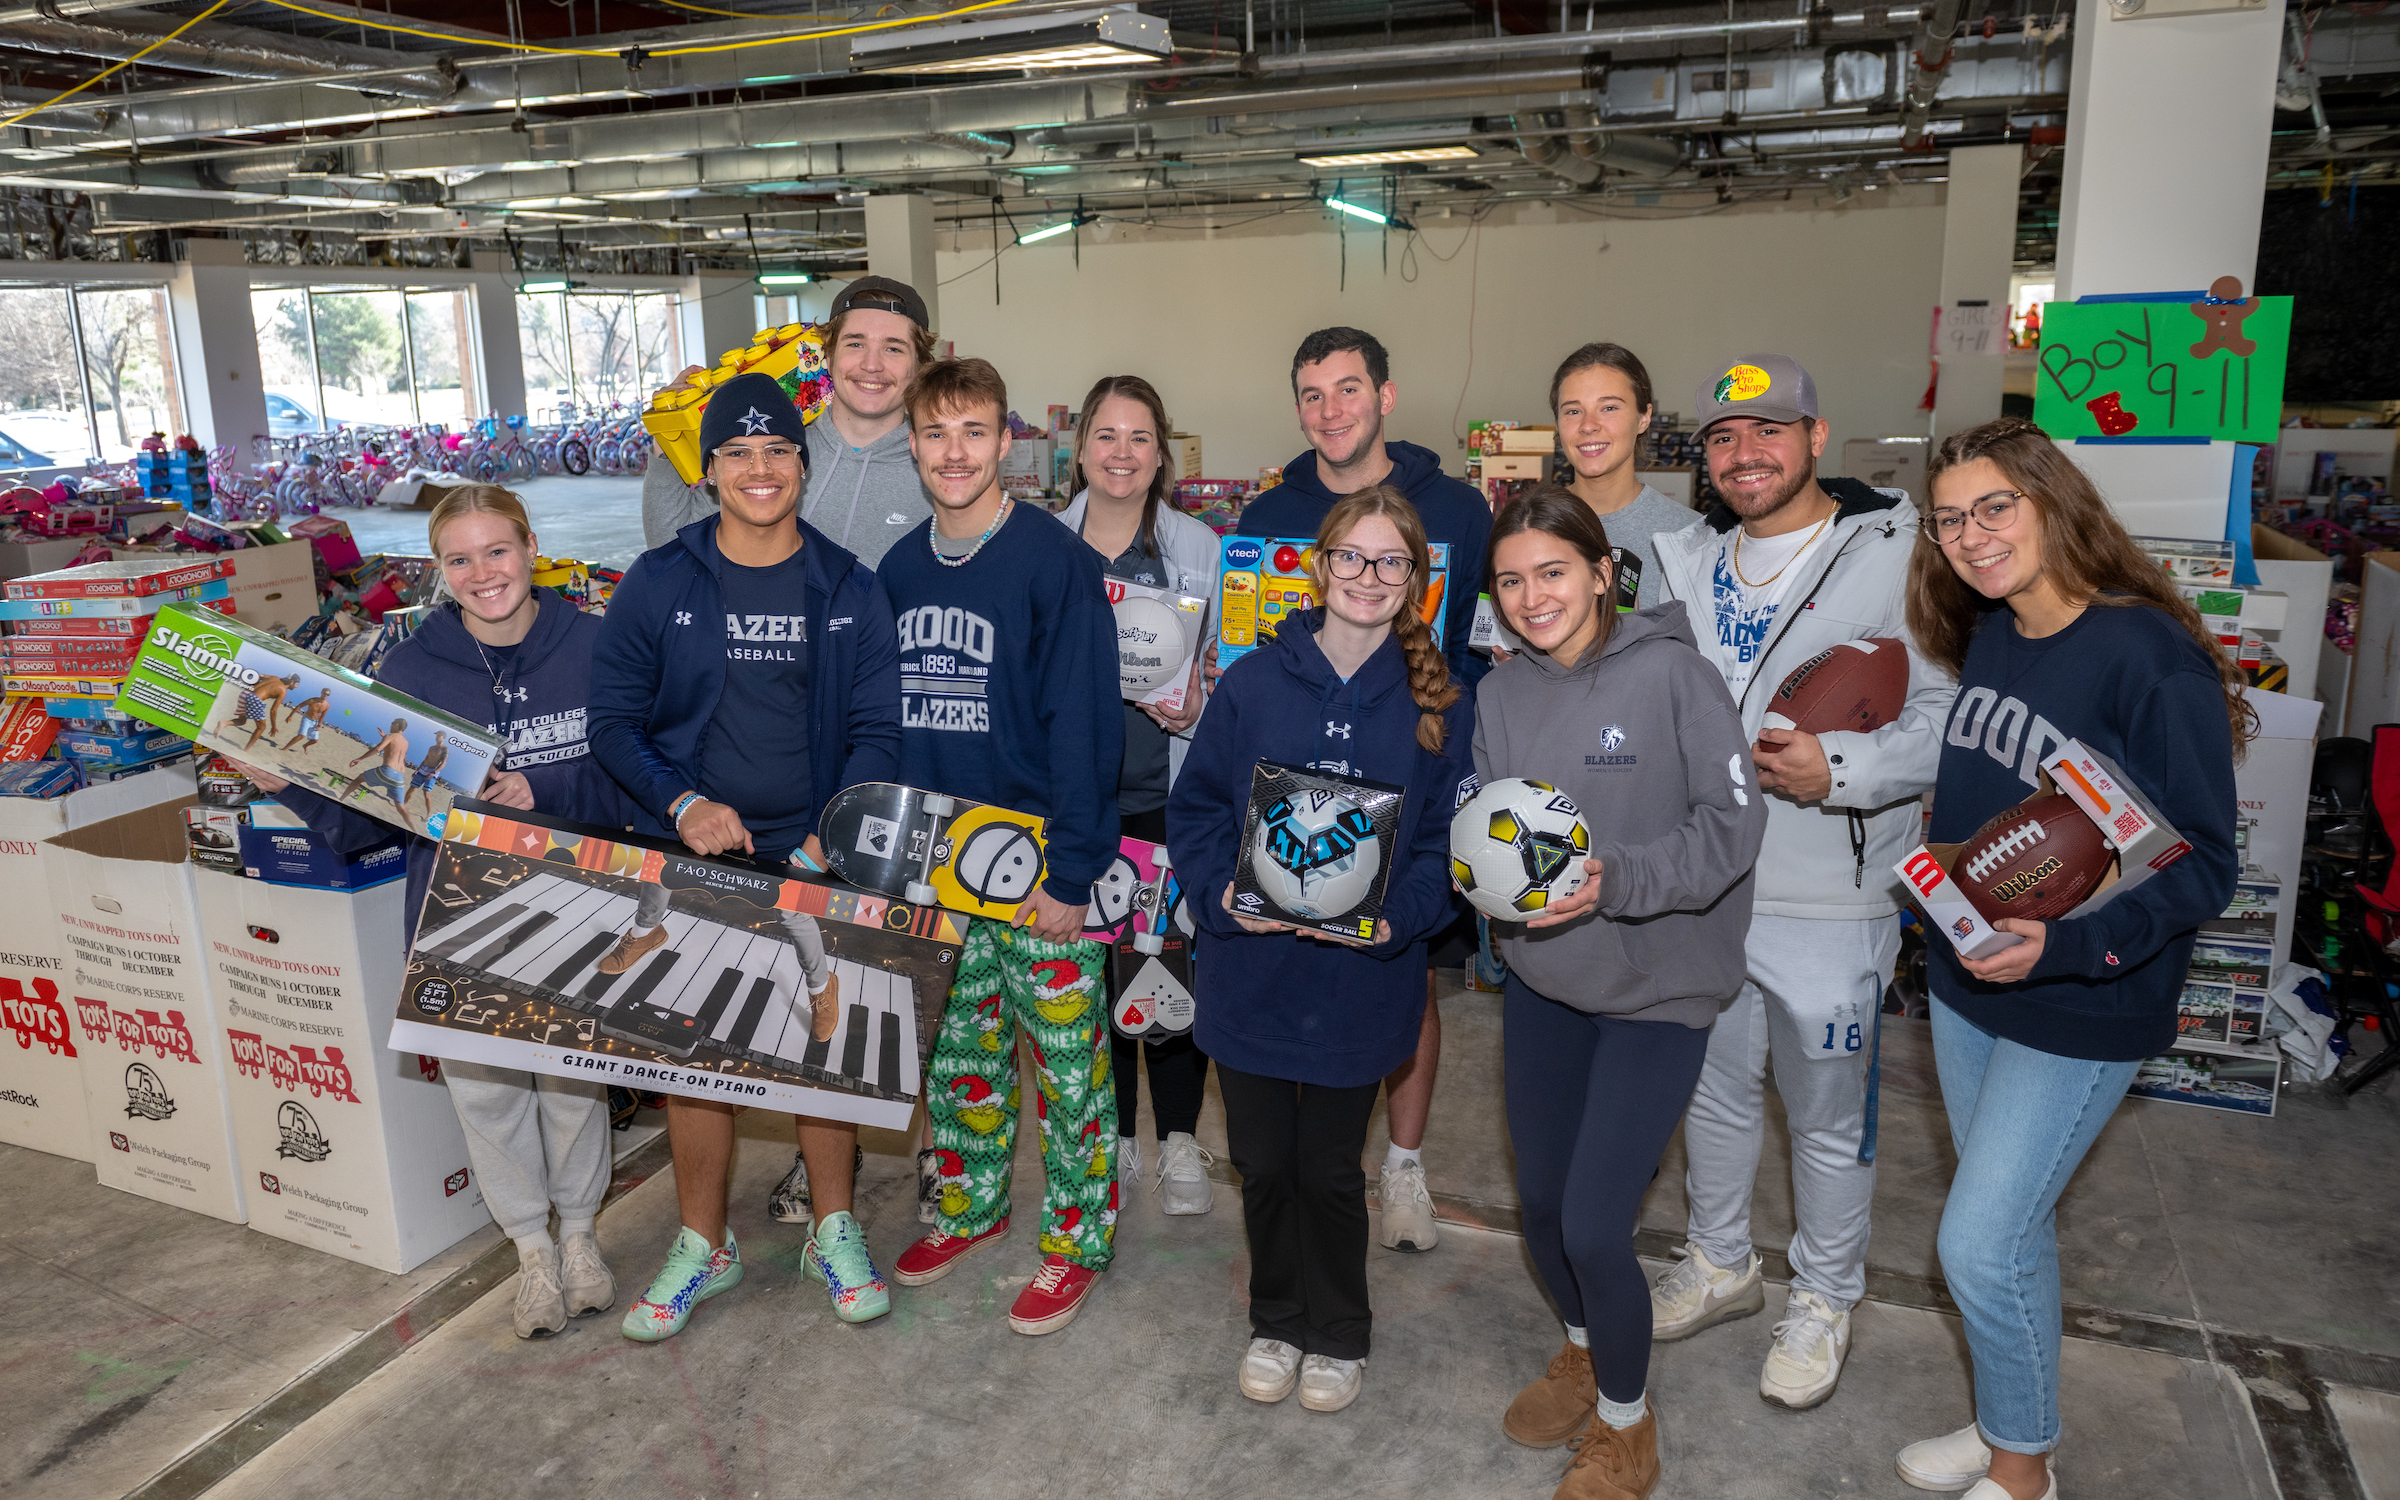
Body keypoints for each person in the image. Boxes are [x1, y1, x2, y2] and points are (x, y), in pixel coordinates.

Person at [1895, 416, 2240, 1500]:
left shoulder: (2147, 656)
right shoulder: (1996, 628)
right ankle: (2018, 1430)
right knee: (2011, 1235)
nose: (1971, 536)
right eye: (1950, 520)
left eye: (1995, 508)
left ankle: (2024, 1476)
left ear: (2054, 501)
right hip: (1972, 983)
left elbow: (2204, 869)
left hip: (2085, 1002)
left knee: (1980, 1244)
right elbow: (2010, 805)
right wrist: (1941, 874)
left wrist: (2070, 943)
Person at [240, 484, 634, 1341]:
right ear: (440, 570)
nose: (482, 573)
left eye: (497, 551)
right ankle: (530, 1253)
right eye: (461, 559)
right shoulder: (410, 670)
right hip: (457, 915)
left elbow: (641, 781)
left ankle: (580, 1239)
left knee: (572, 1086)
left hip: (575, 906)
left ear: (531, 547)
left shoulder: (598, 647)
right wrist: (295, 783)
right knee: (487, 1097)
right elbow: (362, 819)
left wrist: (546, 785)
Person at [1644, 353, 1956, 1411]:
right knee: (1715, 1094)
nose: (1746, 454)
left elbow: (1952, 718)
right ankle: (1722, 1261)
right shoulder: (1681, 561)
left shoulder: (1901, 553)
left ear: (1817, 437)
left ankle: (1824, 1297)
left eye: (1769, 431)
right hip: (1706, 890)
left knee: (1827, 1116)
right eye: (1724, 438)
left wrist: (1847, 771)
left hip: (1831, 897)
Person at [589, 370, 905, 1338]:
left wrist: (826, 836)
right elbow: (613, 721)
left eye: (778, 453)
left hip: (812, 854)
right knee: (697, 1056)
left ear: (802, 467)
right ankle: (704, 1245)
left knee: (824, 1044)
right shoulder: (663, 580)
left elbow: (878, 732)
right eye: (739, 453)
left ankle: (834, 1225)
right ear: (712, 469)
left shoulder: (850, 588)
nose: (760, 469)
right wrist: (682, 803)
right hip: (698, 854)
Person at [1475, 487, 1765, 1499]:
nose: (1531, 596)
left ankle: (1627, 1427)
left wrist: (1621, 880)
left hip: (1659, 990)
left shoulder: (1676, 676)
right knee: (1546, 1211)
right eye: (1510, 580)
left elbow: (1732, 833)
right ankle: (1588, 1348)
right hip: (1546, 983)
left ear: (1603, 572)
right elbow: (1488, 829)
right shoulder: (1499, 695)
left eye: (1553, 571)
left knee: (1598, 1226)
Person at [1168, 486, 1474, 1415]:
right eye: (1353, 558)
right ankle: (1276, 1317)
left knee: (1330, 1169)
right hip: (1252, 974)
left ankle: (1338, 1332)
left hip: (1357, 984)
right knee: (1262, 1162)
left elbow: (1438, 848)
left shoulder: (1437, 703)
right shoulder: (1254, 682)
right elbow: (1197, 812)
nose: (1369, 578)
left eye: (1392, 563)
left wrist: (1399, 918)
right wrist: (1224, 894)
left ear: (1415, 581)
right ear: (1320, 565)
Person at [879, 357, 1124, 1336]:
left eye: (973, 432)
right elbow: (888, 728)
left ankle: (1076, 1243)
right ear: (913, 444)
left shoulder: (1053, 562)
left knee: (1068, 1066)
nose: (954, 452)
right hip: (936, 865)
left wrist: (1073, 870)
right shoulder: (897, 572)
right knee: (959, 1056)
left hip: (1035, 865)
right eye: (936, 434)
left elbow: (1086, 726)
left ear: (1005, 442)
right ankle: (974, 1208)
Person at [1237, 325, 1494, 1254]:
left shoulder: (1459, 509)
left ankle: (1406, 1168)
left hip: (1412, 763)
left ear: (1385, 396)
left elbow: (1481, 644)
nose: (1329, 411)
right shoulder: (1266, 515)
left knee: (1407, 972)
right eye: (1311, 395)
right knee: (1289, 961)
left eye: (1347, 390)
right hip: (1291, 793)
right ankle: (1310, 1158)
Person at [1055, 373, 1218, 1215]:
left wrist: (1198, 707)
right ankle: (1115, 1137)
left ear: (1163, 453)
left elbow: (1232, 678)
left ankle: (1182, 1140)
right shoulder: (1044, 543)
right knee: (1088, 974)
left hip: (1163, 797)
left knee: (1164, 969)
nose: (1122, 454)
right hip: (1078, 806)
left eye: (1140, 438)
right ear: (1080, 447)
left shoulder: (1199, 549)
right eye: (1107, 437)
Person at [641, 275, 936, 566]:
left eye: (894, 348)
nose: (872, 365)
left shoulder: (939, 467)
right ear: (827, 357)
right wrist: (668, 434)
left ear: (920, 366)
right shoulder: (773, 452)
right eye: (855, 344)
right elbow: (671, 549)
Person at [1546, 342, 1696, 608]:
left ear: (1644, 417)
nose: (1588, 425)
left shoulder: (1689, 535)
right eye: (1573, 411)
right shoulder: (1530, 526)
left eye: (1609, 408)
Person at [338, 719, 415, 815]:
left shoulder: (390, 736)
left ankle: (341, 799)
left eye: (392, 724)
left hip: (387, 771)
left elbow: (378, 749)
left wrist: (360, 759)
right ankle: (412, 827)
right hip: (399, 776)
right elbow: (396, 747)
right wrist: (384, 737)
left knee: (359, 779)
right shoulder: (405, 742)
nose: (390, 726)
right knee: (400, 806)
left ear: (396, 725)